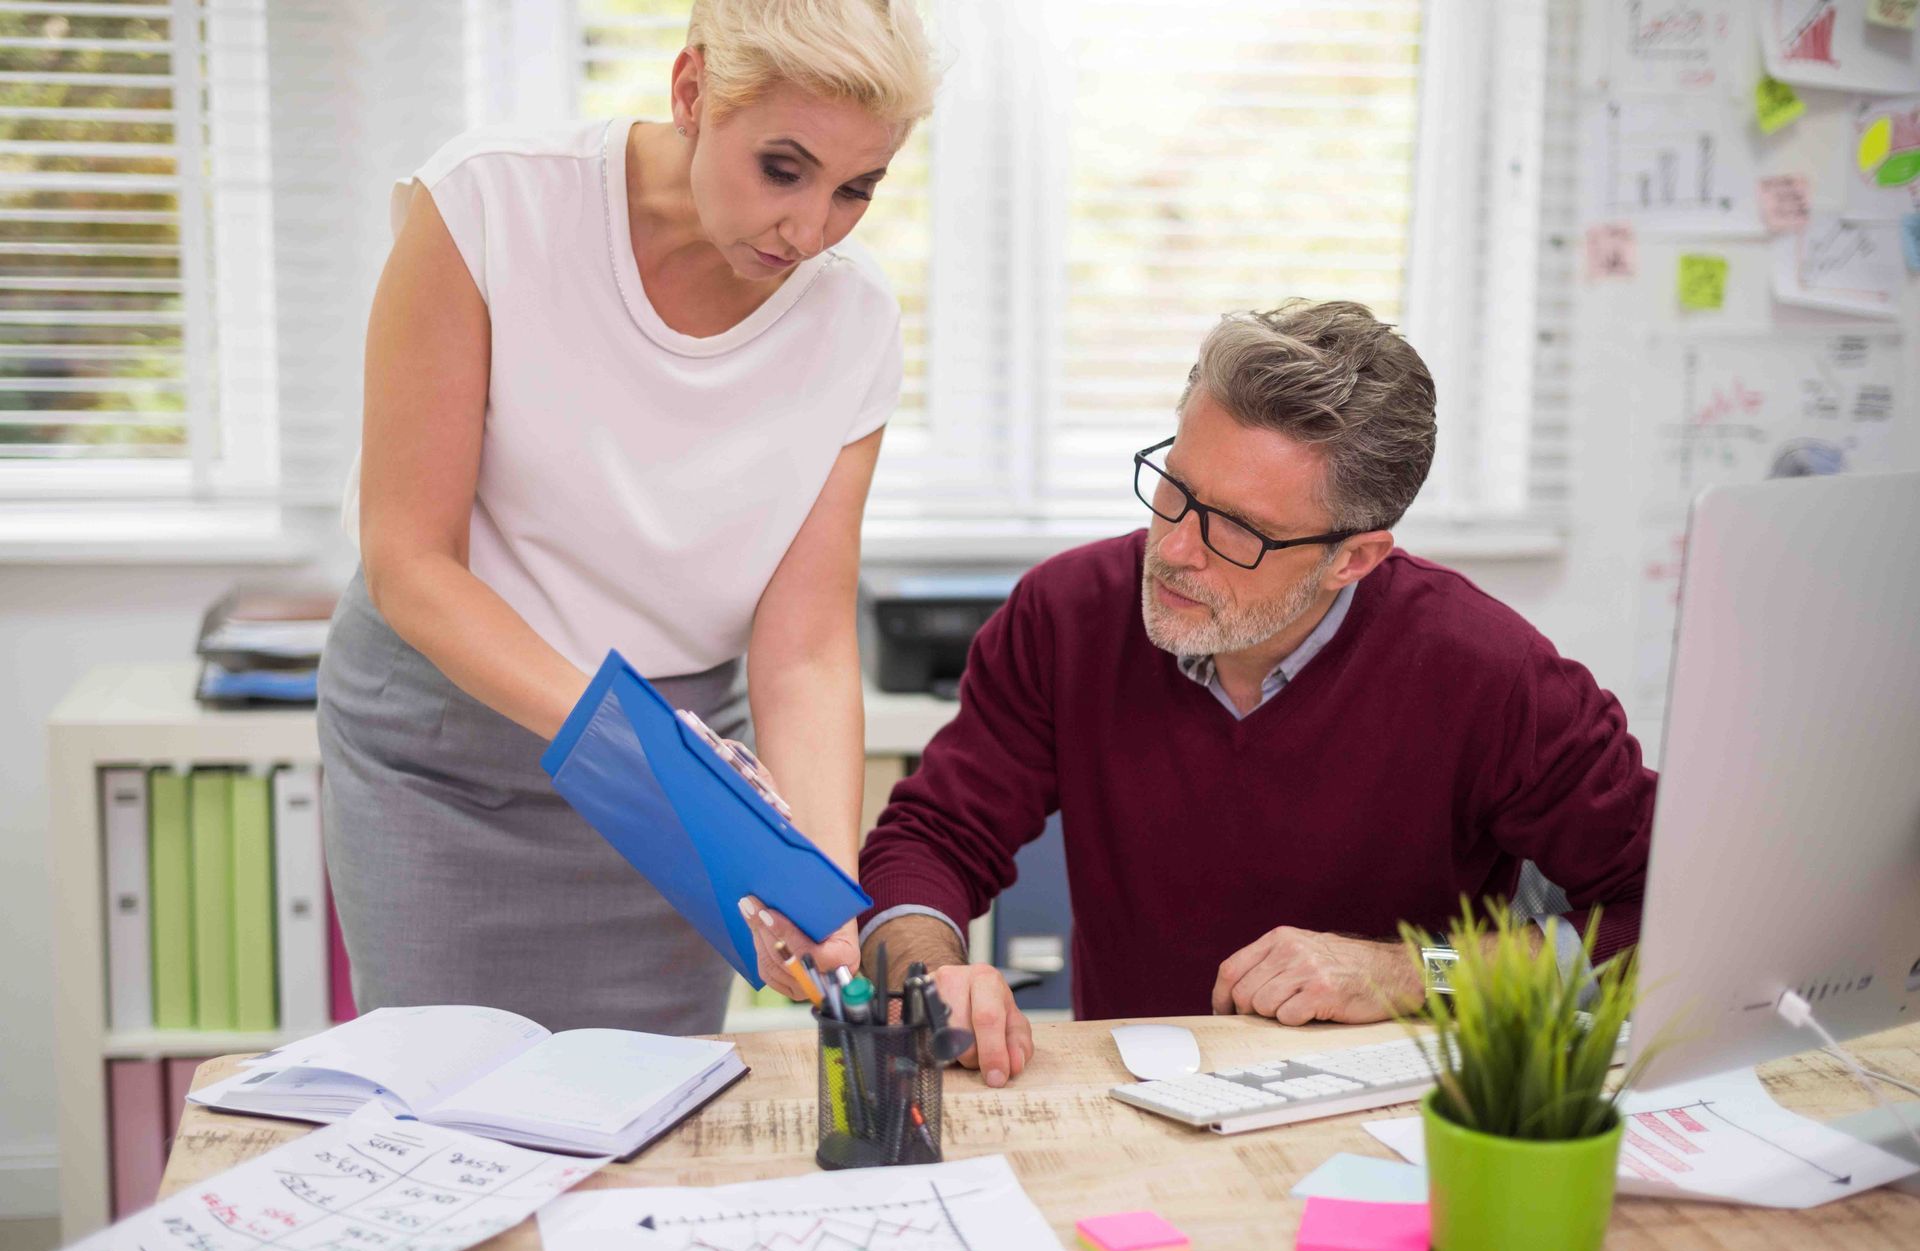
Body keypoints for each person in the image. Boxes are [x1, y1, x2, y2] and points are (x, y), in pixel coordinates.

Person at [317, 0, 939, 1034]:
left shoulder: (855, 319)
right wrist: (651, 768)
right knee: (452, 1110)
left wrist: (817, 876)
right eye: (783, 169)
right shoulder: (491, 203)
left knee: (650, 1115)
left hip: (680, 771)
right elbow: (410, 562)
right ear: (691, 91)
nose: (812, 228)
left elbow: (807, 648)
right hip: (448, 758)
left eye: (856, 190)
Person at [849, 300, 1655, 1086]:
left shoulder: (1487, 669)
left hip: (1400, 1119)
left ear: (1355, 558)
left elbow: (1664, 913)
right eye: (1176, 487)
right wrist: (928, 974)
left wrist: (1413, 972)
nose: (1174, 548)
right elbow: (931, 839)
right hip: (1134, 1101)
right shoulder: (1067, 614)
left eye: (1238, 528)